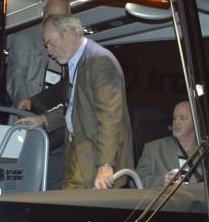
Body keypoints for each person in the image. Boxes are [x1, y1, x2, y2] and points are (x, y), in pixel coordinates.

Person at [16, 14, 133, 189]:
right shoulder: (77, 63)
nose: (49, 52)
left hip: (94, 157)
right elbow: (74, 108)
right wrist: (43, 119)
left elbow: (110, 118)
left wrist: (105, 165)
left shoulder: (99, 61)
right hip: (77, 149)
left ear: (68, 33)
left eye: (51, 44)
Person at [6, 0, 71, 190]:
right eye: (51, 16)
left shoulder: (72, 44)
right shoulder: (25, 37)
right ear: (43, 15)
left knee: (54, 186)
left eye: (61, 18)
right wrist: (22, 98)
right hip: (28, 123)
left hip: (57, 129)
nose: (55, 22)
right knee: (23, 183)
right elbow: (16, 75)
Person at [135, 100, 200, 188]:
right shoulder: (153, 149)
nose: (176, 122)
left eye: (183, 118)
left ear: (196, 121)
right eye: (174, 118)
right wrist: (161, 182)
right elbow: (134, 181)